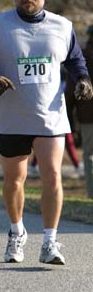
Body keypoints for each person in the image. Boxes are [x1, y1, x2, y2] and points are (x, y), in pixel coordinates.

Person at [0, 0, 93, 265]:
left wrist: (84, 80)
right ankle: (16, 232)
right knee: (15, 180)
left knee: (52, 176)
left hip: (49, 115)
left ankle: (50, 242)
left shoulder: (62, 26)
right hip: (11, 116)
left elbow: (76, 61)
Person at [65, 25, 93, 197]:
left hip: (87, 115)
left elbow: (70, 91)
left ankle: (91, 193)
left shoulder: (80, 58)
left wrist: (69, 121)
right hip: (87, 114)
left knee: (89, 155)